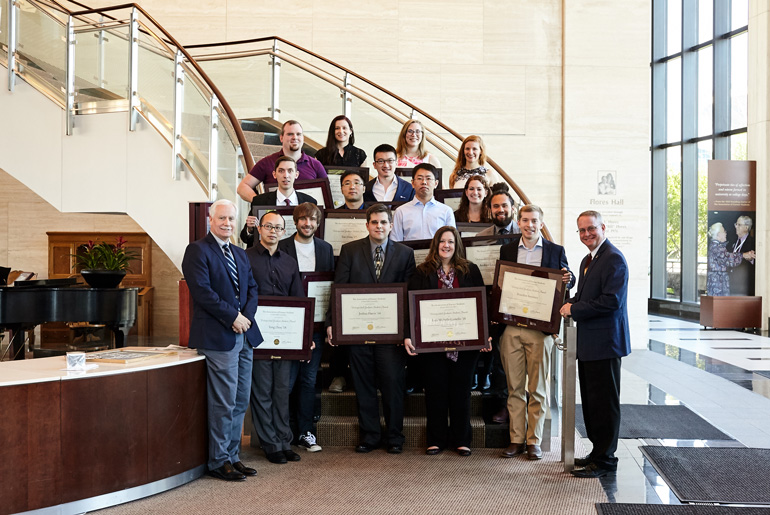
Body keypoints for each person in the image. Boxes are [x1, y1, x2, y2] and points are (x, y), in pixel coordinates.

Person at [181, 199, 262, 482]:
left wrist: (245, 318)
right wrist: (233, 317)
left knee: (240, 400)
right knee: (223, 402)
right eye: (222, 218)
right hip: (218, 337)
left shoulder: (240, 253)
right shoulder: (197, 251)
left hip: (244, 335)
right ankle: (218, 461)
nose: (227, 223)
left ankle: (232, 456)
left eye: (231, 219)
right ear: (210, 220)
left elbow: (252, 288)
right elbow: (203, 293)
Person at [327, 204, 416, 453]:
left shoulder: (405, 254)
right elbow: (339, 288)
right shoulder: (350, 251)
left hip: (392, 334)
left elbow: (409, 296)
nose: (379, 227)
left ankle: (395, 437)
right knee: (363, 385)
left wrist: (408, 331)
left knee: (392, 386)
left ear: (390, 225)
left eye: (383, 222)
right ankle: (370, 436)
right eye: (374, 222)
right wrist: (332, 322)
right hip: (358, 332)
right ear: (367, 225)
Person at [404, 226, 490, 456]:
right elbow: (410, 307)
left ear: (457, 245)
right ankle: (436, 439)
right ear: (436, 244)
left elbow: (481, 303)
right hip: (432, 344)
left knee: (461, 391)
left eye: (451, 242)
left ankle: (462, 439)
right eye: (442, 241)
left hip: (466, 344)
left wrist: (485, 333)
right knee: (435, 390)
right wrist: (408, 335)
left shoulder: (470, 270)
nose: (446, 245)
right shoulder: (422, 272)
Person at [498, 205, 574, 461]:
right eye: (525, 220)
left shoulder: (555, 251)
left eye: (534, 221)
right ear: (518, 222)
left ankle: (534, 441)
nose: (529, 225)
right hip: (512, 327)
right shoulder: (507, 249)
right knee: (514, 387)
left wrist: (569, 279)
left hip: (540, 331)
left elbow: (567, 281)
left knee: (538, 388)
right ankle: (516, 439)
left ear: (541, 224)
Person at [559, 210, 630, 478]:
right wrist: (568, 302)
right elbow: (584, 296)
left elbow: (612, 301)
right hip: (589, 345)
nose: (586, 234)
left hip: (606, 344)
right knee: (591, 403)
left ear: (603, 227)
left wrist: (574, 310)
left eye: (591, 228)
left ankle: (605, 461)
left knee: (605, 405)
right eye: (581, 230)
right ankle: (597, 452)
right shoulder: (588, 259)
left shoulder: (613, 259)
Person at [245, 211, 305, 465]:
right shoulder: (245, 258)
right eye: (268, 226)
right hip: (257, 333)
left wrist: (302, 336)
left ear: (283, 232)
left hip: (285, 336)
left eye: (278, 228)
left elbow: (298, 300)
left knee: (282, 389)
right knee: (262, 390)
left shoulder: (290, 262)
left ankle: (284, 440)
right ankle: (270, 444)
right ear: (259, 229)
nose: (272, 231)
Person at [277, 203, 334, 453]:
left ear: (318, 222)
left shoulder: (325, 248)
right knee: (286, 381)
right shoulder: (282, 247)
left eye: (312, 219)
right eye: (302, 219)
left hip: (316, 325)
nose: (307, 223)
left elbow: (330, 287)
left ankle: (306, 432)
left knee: (309, 381)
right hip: (288, 324)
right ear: (295, 222)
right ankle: (285, 432)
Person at [237, 120, 327, 202]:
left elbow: (327, 193)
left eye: (298, 134)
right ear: (281, 138)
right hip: (275, 217)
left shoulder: (315, 165)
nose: (295, 137)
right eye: (290, 134)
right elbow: (242, 187)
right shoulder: (267, 162)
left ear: (303, 138)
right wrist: (261, 203)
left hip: (305, 217)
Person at [240, 156, 318, 247]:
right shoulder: (260, 201)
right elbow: (246, 239)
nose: (286, 175)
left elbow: (315, 234)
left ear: (296, 175)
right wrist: (249, 229)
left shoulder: (309, 202)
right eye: (281, 171)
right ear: (274, 174)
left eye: (290, 171)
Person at [391, 163, 455, 241]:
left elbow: (452, 240)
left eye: (428, 178)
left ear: (436, 184)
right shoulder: (401, 211)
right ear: (413, 183)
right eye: (420, 178)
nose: (424, 182)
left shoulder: (446, 211)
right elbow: (395, 242)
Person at [706, 222, 754, 296]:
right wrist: (743, 255)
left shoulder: (716, 246)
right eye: (724, 231)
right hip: (718, 284)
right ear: (719, 235)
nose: (726, 233)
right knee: (720, 305)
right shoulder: (716, 247)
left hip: (719, 282)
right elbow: (727, 258)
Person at [727, 215, 756, 296]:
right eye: (736, 224)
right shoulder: (731, 241)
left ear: (746, 227)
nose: (736, 227)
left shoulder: (753, 243)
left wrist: (751, 259)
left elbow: (755, 261)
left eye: (739, 225)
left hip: (744, 286)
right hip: (730, 285)